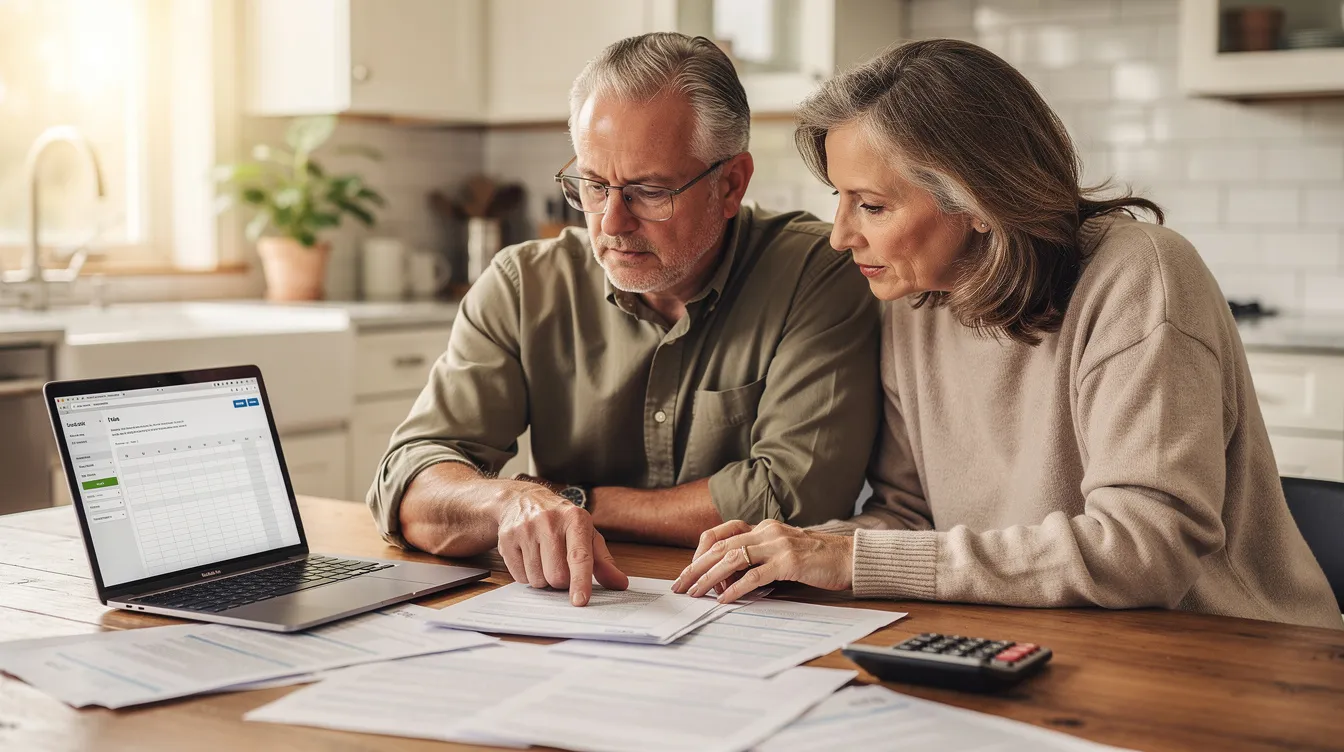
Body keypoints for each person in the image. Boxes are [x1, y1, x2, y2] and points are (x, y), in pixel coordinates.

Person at [674, 39, 1341, 629]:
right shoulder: (912, 297)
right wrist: (792, 550)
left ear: (978, 203)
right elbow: (910, 518)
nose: (843, 236)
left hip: (1235, 655)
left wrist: (849, 556)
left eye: (872, 206)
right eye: (839, 200)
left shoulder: (1140, 277)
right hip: (1053, 637)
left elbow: (1146, 548)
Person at [367, 33, 880, 608]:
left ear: (731, 184)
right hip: (575, 610)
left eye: (648, 191)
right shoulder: (522, 284)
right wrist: (510, 503)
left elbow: (791, 499)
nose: (610, 222)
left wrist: (571, 500)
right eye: (591, 185)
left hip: (760, 609)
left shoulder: (819, 272)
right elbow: (407, 483)